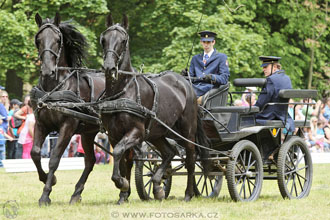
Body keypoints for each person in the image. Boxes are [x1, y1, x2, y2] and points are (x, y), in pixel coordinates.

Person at [185, 31, 230, 103]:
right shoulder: (195, 58)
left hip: (210, 88)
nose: (206, 45)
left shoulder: (221, 57)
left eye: (208, 42)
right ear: (201, 42)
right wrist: (185, 75)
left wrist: (212, 77)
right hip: (195, 87)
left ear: (213, 42)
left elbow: (224, 78)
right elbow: (191, 78)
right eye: (204, 42)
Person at [254, 56, 295, 132]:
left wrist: (253, 109)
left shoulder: (271, 79)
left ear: (275, 67)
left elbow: (262, 100)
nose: (263, 69)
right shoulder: (287, 78)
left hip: (269, 115)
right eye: (263, 67)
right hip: (283, 115)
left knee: (243, 117)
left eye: (266, 67)